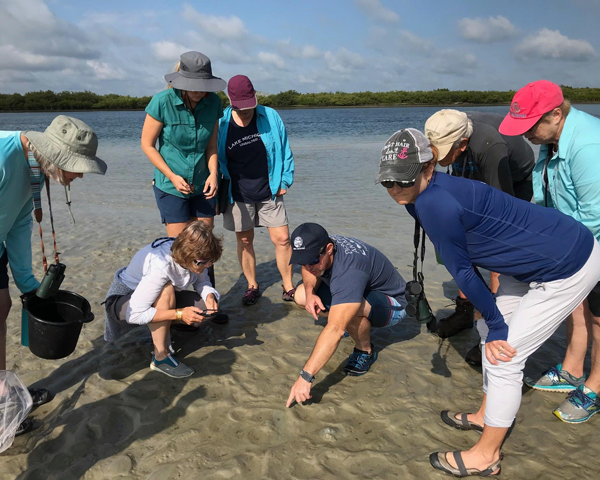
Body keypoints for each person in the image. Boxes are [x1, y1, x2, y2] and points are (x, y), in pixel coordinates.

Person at [378, 127, 600, 477]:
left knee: (503, 355)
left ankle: (487, 455)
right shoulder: (418, 197)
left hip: (567, 263)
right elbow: (470, 254)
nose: (395, 191)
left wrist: (498, 323)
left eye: (403, 181)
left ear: (429, 166)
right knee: (486, 334)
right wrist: (488, 316)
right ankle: (486, 416)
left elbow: (463, 271)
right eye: (388, 183)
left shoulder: (436, 202)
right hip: (529, 258)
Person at [0, 115, 107, 435]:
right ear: (56, 156)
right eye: (77, 167)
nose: (80, 175)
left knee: (2, 308)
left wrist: (28, 286)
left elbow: (18, 225)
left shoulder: (35, 169)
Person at [499, 80, 600, 423]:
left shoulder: (588, 144)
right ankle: (572, 368)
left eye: (529, 126)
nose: (525, 134)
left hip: (593, 234)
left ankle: (595, 387)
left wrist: (554, 245)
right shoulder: (551, 138)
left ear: (556, 114)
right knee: (578, 303)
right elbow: (545, 195)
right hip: (575, 235)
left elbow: (595, 214)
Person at [424, 109, 535, 348]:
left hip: (514, 178)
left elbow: (503, 216)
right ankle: (466, 312)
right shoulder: (446, 127)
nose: (434, 160)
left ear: (462, 144)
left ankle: (496, 324)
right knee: (458, 240)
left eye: (439, 155)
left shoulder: (490, 146)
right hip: (471, 164)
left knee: (498, 248)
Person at [285, 222, 407, 405]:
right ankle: (351, 320)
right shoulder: (321, 246)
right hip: (363, 290)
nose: (308, 266)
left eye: (313, 261)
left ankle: (365, 351)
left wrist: (305, 377)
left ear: (329, 249)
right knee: (301, 295)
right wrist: (310, 292)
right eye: (303, 261)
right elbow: (307, 267)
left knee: (343, 317)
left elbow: (334, 329)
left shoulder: (349, 270)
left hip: (393, 304)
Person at [141, 51, 226, 309]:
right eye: (195, 88)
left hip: (203, 184)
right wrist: (172, 176)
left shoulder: (214, 104)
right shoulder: (161, 102)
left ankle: (209, 299)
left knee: (205, 247)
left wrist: (213, 174)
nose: (200, 92)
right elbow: (147, 145)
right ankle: (174, 306)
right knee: (180, 250)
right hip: (170, 186)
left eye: (204, 87)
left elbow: (212, 147)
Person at [103, 221, 223, 378]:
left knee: (202, 308)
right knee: (165, 290)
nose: (208, 265)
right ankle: (161, 357)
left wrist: (209, 295)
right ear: (186, 256)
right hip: (125, 302)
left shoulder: (199, 256)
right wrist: (179, 314)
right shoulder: (160, 266)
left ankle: (166, 325)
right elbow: (135, 314)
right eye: (203, 262)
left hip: (155, 296)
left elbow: (203, 282)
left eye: (211, 262)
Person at [217, 75, 295, 305]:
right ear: (230, 100)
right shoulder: (221, 122)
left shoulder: (270, 116)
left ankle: (288, 286)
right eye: (240, 108)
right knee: (244, 241)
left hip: (270, 188)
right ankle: (252, 285)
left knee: (282, 239)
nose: (246, 111)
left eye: (249, 106)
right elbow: (215, 156)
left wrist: (285, 180)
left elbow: (284, 148)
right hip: (237, 192)